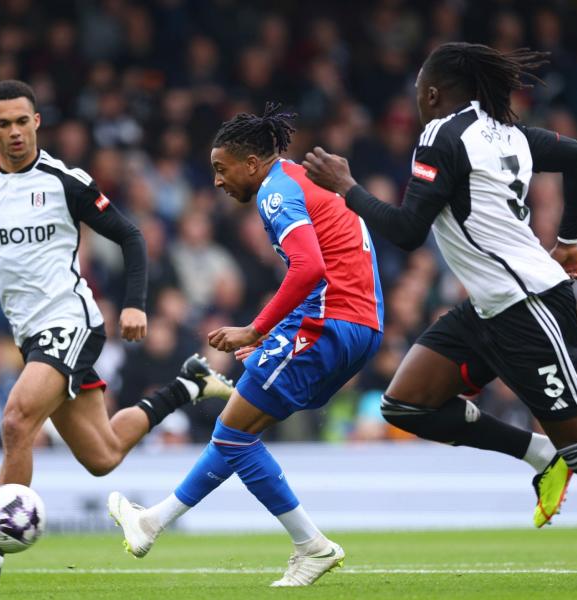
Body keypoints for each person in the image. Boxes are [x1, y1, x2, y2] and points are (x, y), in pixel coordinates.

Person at [302, 42, 577, 587]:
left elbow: (408, 232)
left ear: (432, 93)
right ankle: (539, 455)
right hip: (492, 304)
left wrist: (346, 188)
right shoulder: (507, 135)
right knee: (406, 405)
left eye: (419, 91)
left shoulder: (440, 136)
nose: (417, 101)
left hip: (528, 307)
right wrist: (570, 239)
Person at [0, 80, 233, 584]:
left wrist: (134, 304)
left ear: (37, 122)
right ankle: (188, 384)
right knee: (102, 456)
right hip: (30, 336)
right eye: (5, 123)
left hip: (72, 321)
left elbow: (130, 235)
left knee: (17, 420)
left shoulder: (65, 180)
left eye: (24, 121)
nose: (15, 131)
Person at [108, 104, 384, 587]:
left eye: (221, 168)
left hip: (329, 320)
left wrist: (256, 329)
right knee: (236, 427)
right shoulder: (299, 180)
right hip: (356, 322)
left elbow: (309, 269)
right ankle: (151, 523)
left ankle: (311, 545)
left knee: (235, 432)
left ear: (252, 164)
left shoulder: (276, 192)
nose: (216, 181)